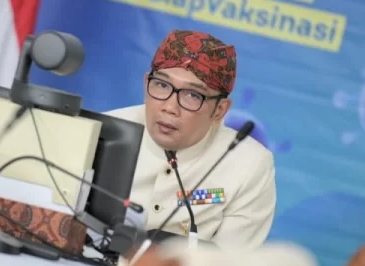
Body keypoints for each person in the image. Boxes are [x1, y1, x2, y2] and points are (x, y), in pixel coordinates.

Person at [109, 29, 276, 252]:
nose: (170, 107)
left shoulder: (250, 165)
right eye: (162, 85)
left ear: (219, 110)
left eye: (192, 95)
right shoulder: (104, 129)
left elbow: (231, 262)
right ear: (146, 84)